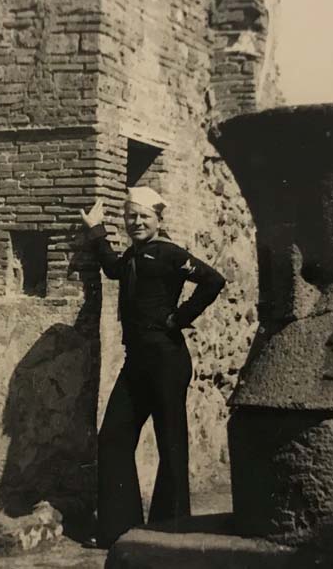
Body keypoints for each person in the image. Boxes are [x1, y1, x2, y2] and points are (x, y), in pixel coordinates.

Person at [80, 186, 226, 548]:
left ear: (159, 219)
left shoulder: (170, 253)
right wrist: (96, 231)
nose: (136, 222)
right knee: (112, 438)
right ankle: (119, 529)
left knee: (170, 444)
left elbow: (213, 280)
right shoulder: (133, 253)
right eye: (130, 216)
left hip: (167, 360)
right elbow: (113, 269)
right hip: (137, 362)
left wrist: (180, 318)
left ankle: (169, 531)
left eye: (144, 216)